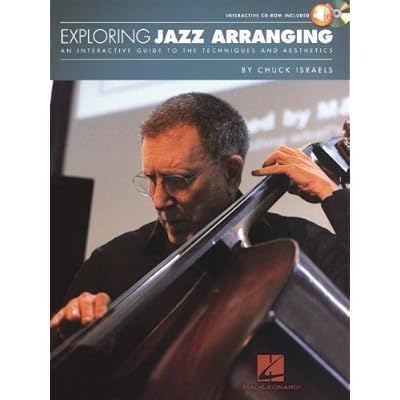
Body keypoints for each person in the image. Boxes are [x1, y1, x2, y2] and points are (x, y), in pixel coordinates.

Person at [50, 92, 349, 334]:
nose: (159, 200)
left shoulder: (301, 249)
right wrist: (70, 337)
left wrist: (333, 196)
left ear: (231, 173)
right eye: (151, 179)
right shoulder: (111, 265)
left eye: (178, 180)